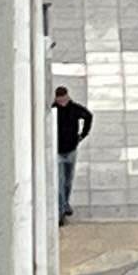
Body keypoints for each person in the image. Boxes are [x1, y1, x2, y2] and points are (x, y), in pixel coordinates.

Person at [52, 85, 93, 224]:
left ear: (67, 97)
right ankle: (61, 208)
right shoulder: (53, 110)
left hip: (70, 149)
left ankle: (65, 203)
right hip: (57, 150)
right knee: (60, 180)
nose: (62, 103)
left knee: (68, 180)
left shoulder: (74, 109)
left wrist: (83, 135)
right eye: (60, 100)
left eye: (64, 100)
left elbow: (88, 116)